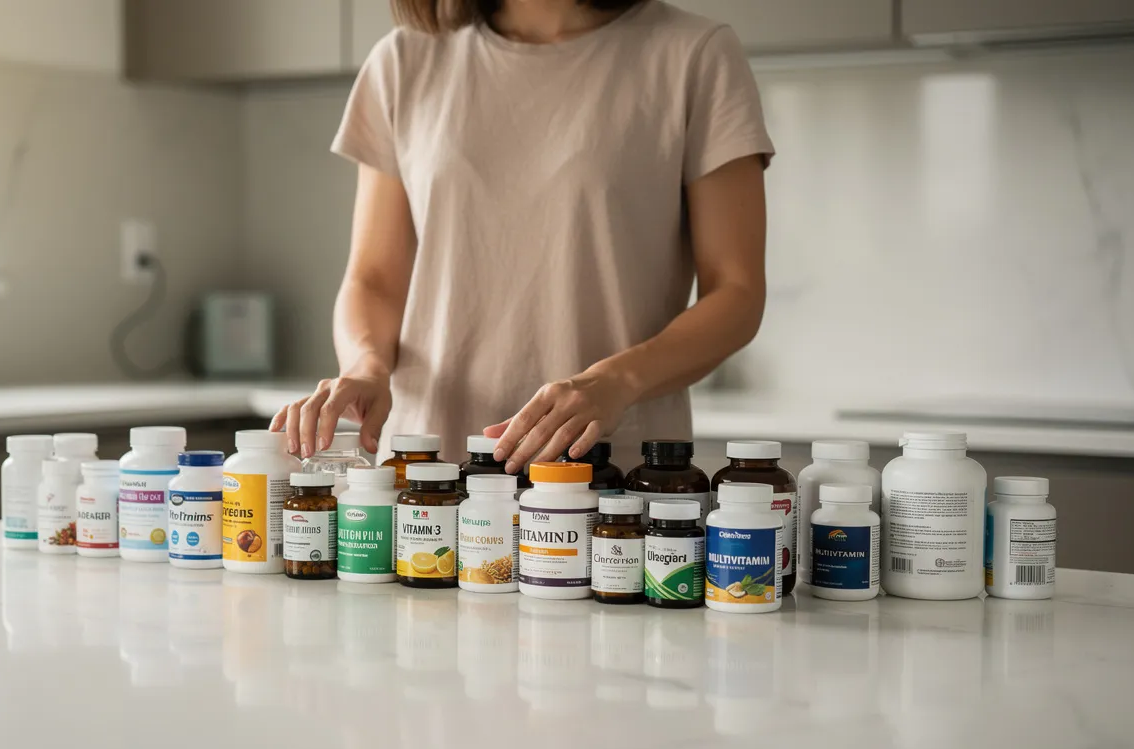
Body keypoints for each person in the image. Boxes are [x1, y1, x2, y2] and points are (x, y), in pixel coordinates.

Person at [271, 0, 774, 474]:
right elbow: (375, 277)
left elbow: (736, 290)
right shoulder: (404, 60)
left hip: (609, 471)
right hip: (428, 468)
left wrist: (614, 382)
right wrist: (366, 367)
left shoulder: (693, 53)